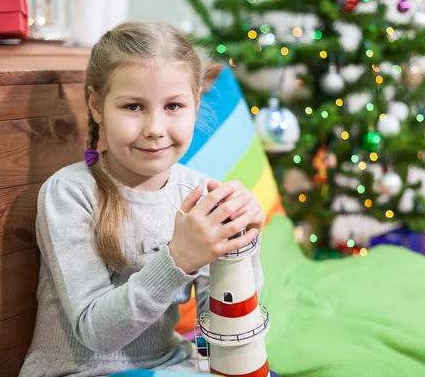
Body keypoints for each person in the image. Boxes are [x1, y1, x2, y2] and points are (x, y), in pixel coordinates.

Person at [19, 21, 265, 376]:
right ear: (97, 105)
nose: (154, 128)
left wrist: (243, 246)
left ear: (196, 103)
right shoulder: (70, 193)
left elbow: (223, 323)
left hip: (168, 364)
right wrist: (179, 257)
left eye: (174, 106)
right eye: (134, 106)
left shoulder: (200, 193)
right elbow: (96, 332)